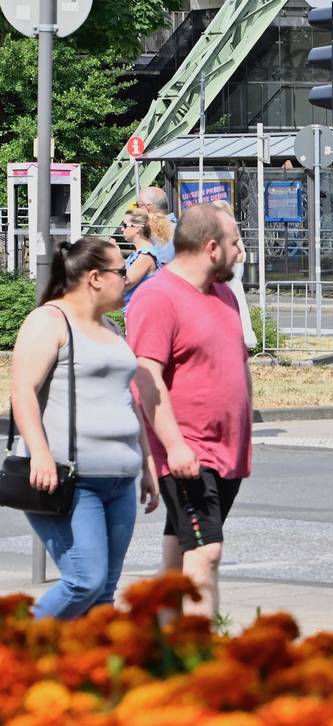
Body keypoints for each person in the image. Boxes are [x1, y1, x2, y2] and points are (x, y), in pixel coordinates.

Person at [8, 238, 160, 619]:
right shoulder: (49, 320)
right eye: (121, 271)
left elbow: (127, 398)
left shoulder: (110, 327)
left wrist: (147, 463)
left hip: (119, 478)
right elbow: (22, 389)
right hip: (69, 480)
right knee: (84, 582)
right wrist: (40, 454)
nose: (127, 280)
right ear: (95, 278)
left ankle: (90, 674)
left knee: (104, 592)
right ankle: (13, 648)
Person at [126, 204, 255, 619]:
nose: (242, 251)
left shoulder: (223, 295)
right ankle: (203, 663)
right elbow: (146, 378)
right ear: (212, 247)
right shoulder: (158, 296)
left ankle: (156, 643)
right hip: (188, 451)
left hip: (226, 451)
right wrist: (174, 447)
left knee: (178, 551)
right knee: (206, 552)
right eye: (236, 242)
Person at [209, 201, 259, 353]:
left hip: (230, 279)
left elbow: (241, 255)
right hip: (220, 278)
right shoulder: (212, 231)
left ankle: (236, 340)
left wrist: (224, 257)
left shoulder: (231, 230)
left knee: (233, 309)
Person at [120, 210, 174, 308]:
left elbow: (125, 283)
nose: (122, 229)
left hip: (140, 313)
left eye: (124, 225)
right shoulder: (140, 254)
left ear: (137, 228)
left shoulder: (146, 255)